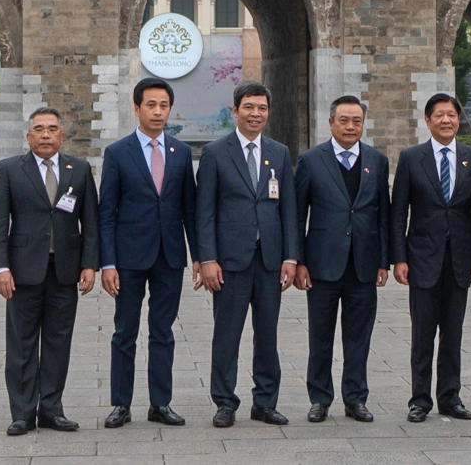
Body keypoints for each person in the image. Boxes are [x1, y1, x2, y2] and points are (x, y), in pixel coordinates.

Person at [0, 106, 100, 436]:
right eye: (39, 129)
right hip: (22, 272)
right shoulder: (9, 170)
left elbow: (90, 222)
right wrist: (0, 268)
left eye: (52, 128)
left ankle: (51, 408)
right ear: (29, 136)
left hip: (64, 271)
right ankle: (22, 412)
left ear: (62, 135)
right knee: (21, 344)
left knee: (57, 342)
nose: (46, 134)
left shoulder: (78, 170)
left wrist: (90, 264)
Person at [193, 81, 299, 429]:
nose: (256, 114)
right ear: (235, 111)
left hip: (269, 260)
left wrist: (291, 257)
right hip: (229, 262)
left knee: (267, 334)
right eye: (249, 107)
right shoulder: (215, 152)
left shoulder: (279, 153)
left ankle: (265, 402)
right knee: (227, 334)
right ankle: (225, 402)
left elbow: (288, 210)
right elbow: (204, 211)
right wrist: (207, 258)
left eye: (262, 108)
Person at [98, 77, 198, 428]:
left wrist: (198, 256)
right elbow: (106, 212)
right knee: (125, 331)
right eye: (151, 105)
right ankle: (120, 404)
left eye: (164, 106)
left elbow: (190, 210)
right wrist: (106, 263)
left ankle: (160, 403)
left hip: (169, 256)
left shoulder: (182, 153)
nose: (158, 112)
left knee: (163, 331)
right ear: (136, 108)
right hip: (128, 258)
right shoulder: (117, 153)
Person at [389, 91, 471, 422]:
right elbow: (398, 212)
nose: (446, 120)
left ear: (458, 120)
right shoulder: (411, 157)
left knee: (452, 332)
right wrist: (398, 257)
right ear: (428, 120)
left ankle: (450, 396)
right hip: (421, 258)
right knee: (422, 334)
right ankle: (419, 399)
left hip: (459, 259)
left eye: (452, 115)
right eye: (440, 115)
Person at [293, 94, 390, 422]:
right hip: (322, 264)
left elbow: (383, 215)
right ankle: (320, 398)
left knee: (359, 336)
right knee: (320, 334)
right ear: (331, 122)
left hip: (363, 263)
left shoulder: (376, 161)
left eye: (357, 121)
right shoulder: (310, 160)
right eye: (344, 121)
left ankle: (356, 397)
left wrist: (383, 261)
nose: (350, 127)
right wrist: (298, 261)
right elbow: (297, 215)